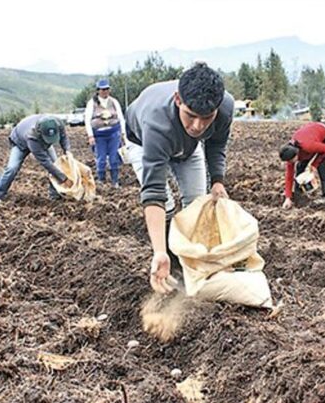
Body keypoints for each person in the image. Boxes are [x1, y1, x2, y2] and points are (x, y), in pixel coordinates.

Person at [125, 62, 234, 294]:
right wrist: (159, 251)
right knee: (166, 204)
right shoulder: (156, 122)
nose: (198, 126)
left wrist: (217, 180)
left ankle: (191, 262)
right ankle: (170, 260)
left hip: (188, 147)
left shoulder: (224, 107)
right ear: (178, 100)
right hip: (143, 142)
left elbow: (216, 145)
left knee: (196, 203)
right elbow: (153, 192)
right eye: (191, 115)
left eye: (207, 118)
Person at [0, 114, 73, 199]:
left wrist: (67, 151)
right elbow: (46, 163)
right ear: (40, 133)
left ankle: (55, 195)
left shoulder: (57, 123)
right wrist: (64, 179)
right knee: (12, 168)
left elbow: (64, 137)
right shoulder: (31, 136)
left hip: (40, 141)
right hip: (20, 143)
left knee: (56, 165)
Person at [279, 122, 325, 209]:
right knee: (300, 166)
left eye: (291, 160)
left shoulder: (308, 146)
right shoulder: (290, 151)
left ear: (296, 154)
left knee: (321, 166)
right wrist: (288, 197)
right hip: (311, 137)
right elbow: (289, 176)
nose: (290, 162)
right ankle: (298, 194)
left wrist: (314, 165)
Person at [85, 79, 126, 188]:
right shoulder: (92, 103)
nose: (105, 91)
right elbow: (87, 120)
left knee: (114, 157)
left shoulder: (114, 102)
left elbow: (120, 118)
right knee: (101, 158)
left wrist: (123, 133)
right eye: (103, 89)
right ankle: (101, 180)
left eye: (107, 89)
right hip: (99, 135)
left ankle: (115, 181)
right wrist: (90, 135)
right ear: (98, 90)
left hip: (113, 133)